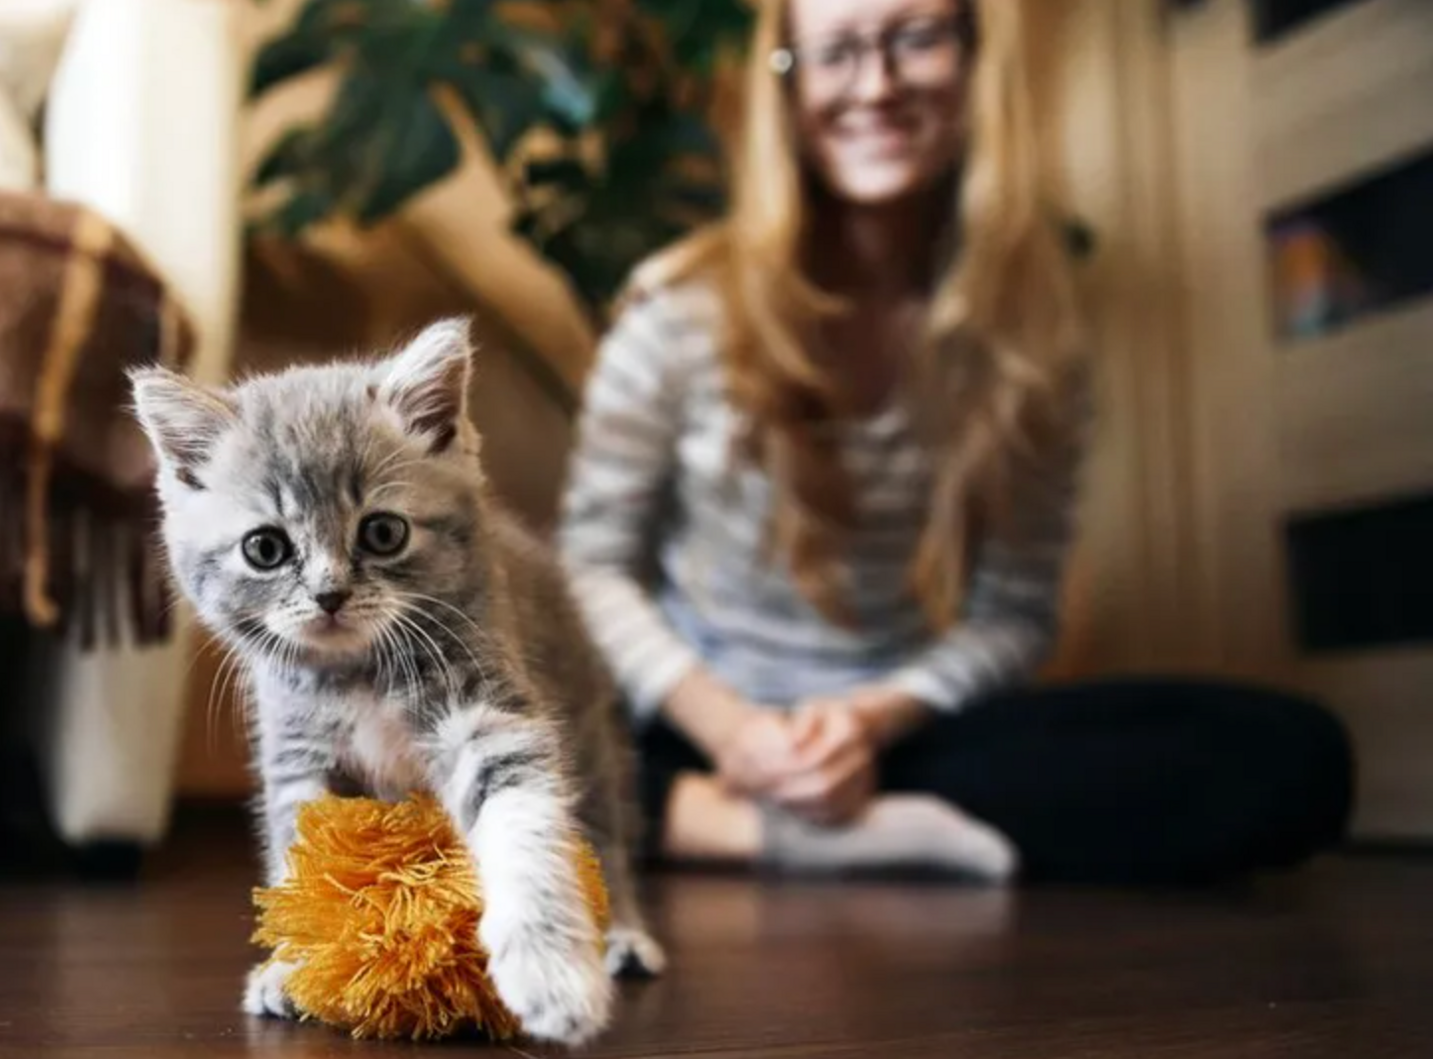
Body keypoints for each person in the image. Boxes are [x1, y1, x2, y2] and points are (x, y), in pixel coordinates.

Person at [556, 0, 1354, 886]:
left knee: (1296, 756)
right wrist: (736, 732)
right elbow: (592, 568)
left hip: (895, 734)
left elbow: (1014, 614)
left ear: (973, 61)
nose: (877, 85)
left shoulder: (1033, 335)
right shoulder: (677, 310)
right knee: (477, 726)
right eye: (837, 54)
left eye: (916, 39)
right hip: (692, 723)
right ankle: (745, 824)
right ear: (786, 88)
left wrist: (865, 721)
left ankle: (728, 820)